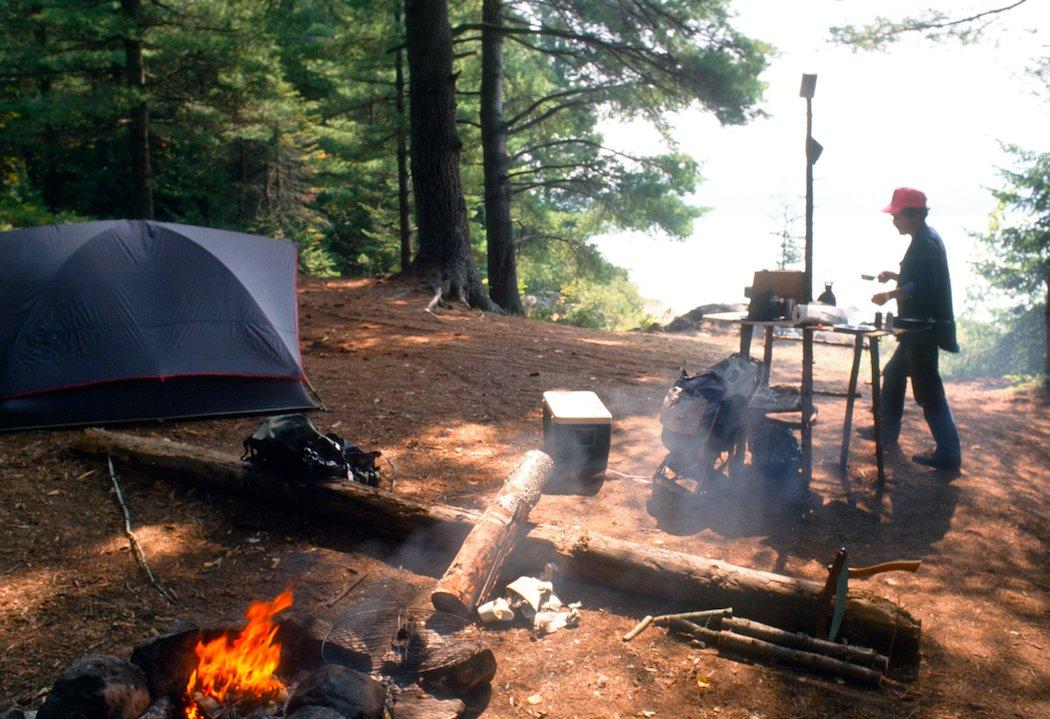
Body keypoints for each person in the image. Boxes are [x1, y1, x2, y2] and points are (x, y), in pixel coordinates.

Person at [866, 187, 961, 472]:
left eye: (898, 215)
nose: (894, 220)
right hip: (917, 329)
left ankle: (949, 454)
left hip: (924, 330)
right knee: (893, 374)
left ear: (914, 215)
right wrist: (894, 275)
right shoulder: (923, 239)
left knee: (928, 391)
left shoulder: (926, 243)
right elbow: (916, 277)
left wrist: (889, 295)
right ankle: (887, 430)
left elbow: (919, 288)